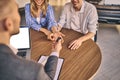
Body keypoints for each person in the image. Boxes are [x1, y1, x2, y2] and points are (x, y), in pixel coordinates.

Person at [0, 0, 62, 80]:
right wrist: (55, 52)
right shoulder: (33, 69)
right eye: (17, 12)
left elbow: (52, 21)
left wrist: (55, 31)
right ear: (8, 24)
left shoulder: (48, 7)